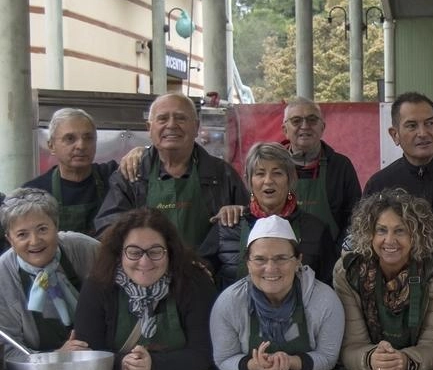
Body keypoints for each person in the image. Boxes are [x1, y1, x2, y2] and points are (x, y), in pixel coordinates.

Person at [74, 208, 216, 370]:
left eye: (155, 251)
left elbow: (205, 352)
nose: (144, 262)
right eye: (134, 252)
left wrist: (154, 366)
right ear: (120, 254)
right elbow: (87, 350)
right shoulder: (97, 285)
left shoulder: (194, 282)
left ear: (169, 252)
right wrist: (121, 365)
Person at [94, 92, 249, 247]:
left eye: (181, 118)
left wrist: (239, 213)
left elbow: (248, 229)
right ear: (149, 128)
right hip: (146, 268)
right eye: (162, 119)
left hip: (208, 269)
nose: (171, 125)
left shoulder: (223, 174)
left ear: (196, 127)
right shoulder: (131, 175)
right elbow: (108, 229)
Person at [333, 189, 433, 370]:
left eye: (400, 231)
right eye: (381, 230)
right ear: (369, 233)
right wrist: (371, 358)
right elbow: (351, 345)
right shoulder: (349, 271)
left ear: (417, 235)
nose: (389, 240)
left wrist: (406, 360)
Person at [210, 215, 344, 370]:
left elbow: (328, 357)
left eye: (281, 258)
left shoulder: (324, 300)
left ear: (298, 261)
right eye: (260, 259)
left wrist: (289, 362)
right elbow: (224, 358)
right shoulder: (229, 302)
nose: (271, 268)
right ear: (248, 263)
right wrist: (256, 365)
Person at [199, 143, 338, 289]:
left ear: (290, 179)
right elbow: (201, 273)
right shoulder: (227, 226)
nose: (268, 181)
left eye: (277, 173)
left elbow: (329, 285)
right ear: (249, 181)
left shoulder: (316, 229)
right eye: (260, 173)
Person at [0, 188, 99, 362]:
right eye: (22, 234)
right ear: (10, 239)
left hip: (101, 361)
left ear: (57, 226)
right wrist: (56, 358)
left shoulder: (87, 250)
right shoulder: (3, 276)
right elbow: (7, 351)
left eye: (42, 229)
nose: (35, 241)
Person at [363, 92, 433, 227]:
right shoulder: (379, 185)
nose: (423, 133)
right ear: (395, 134)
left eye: (430, 123)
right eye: (412, 126)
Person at [280, 97, 361, 242]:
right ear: (285, 130)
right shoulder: (273, 166)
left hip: (332, 259)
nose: (305, 126)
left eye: (312, 120)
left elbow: (356, 217)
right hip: (282, 257)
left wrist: (340, 256)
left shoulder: (341, 166)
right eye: (296, 121)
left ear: (322, 127)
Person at [24, 108, 118, 235]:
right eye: (70, 138)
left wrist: (138, 153)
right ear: (51, 146)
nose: (81, 146)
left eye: (88, 138)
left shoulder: (113, 177)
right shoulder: (34, 193)